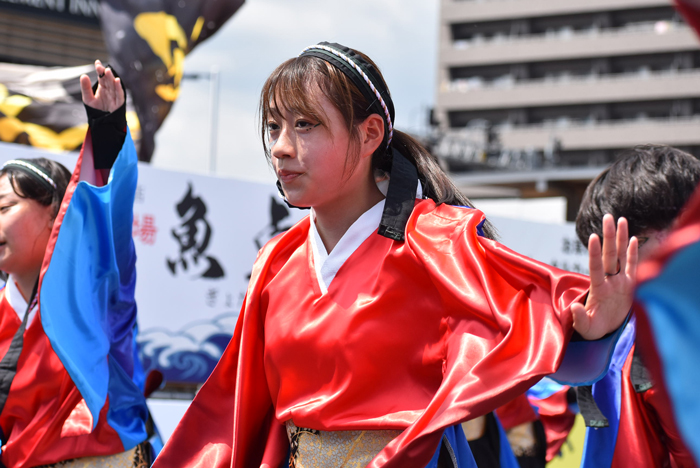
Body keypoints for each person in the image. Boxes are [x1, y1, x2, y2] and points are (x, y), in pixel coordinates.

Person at [152, 42, 636, 468]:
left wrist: (592, 331)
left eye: (304, 125)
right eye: (274, 126)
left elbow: (541, 331)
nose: (280, 148)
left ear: (369, 133)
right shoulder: (277, 261)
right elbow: (235, 411)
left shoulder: (437, 242)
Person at [0, 61, 151, 466]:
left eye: (5, 208)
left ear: (56, 214)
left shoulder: (98, 288)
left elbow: (110, 214)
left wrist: (107, 131)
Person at [575, 144, 700, 468]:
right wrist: (595, 343)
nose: (611, 267)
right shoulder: (627, 327)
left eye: (632, 244)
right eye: (604, 254)